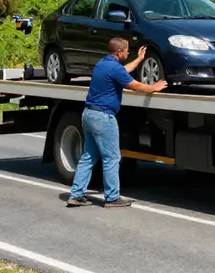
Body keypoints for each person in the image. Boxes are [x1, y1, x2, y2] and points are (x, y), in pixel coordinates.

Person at [67, 38, 167, 208]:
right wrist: (154, 87)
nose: (128, 53)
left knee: (88, 156)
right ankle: (112, 197)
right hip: (104, 117)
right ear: (119, 52)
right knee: (112, 158)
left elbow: (123, 71)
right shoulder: (113, 68)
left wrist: (138, 60)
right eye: (127, 51)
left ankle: (76, 195)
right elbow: (134, 85)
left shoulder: (102, 64)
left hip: (89, 114)